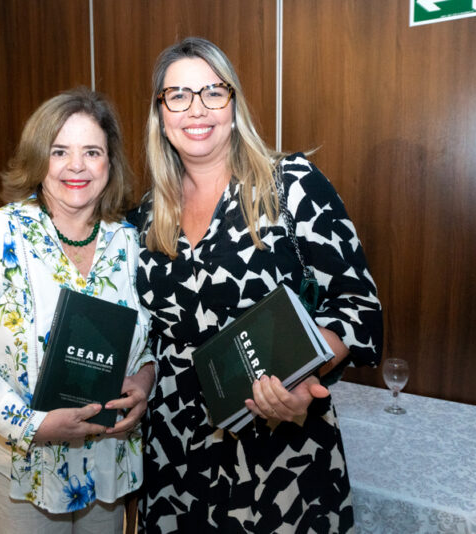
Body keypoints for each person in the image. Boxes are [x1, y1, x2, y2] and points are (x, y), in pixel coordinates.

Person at [130, 37, 383, 532]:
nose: (195, 109)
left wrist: (303, 384)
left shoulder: (291, 184)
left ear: (233, 102)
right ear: (161, 114)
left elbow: (357, 309)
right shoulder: (144, 215)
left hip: (281, 454)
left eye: (212, 92)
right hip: (176, 460)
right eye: (177, 95)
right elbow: (148, 336)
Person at [0, 87, 155, 534]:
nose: (77, 166)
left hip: (109, 460)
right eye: (59, 151)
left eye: (92, 151)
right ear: (37, 158)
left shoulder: (130, 242)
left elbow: (149, 342)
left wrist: (144, 380)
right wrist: (30, 425)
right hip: (23, 469)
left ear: (111, 162)